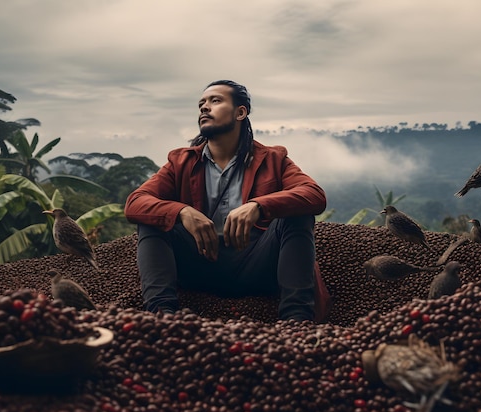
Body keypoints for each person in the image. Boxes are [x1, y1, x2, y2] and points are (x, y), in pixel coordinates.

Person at [124, 80, 328, 322]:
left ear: (240, 112)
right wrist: (181, 212)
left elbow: (314, 195)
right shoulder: (180, 162)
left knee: (297, 216)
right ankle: (163, 317)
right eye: (201, 104)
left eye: (215, 101)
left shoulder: (273, 159)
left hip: (257, 264)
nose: (204, 108)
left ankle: (296, 322)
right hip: (199, 262)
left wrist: (259, 206)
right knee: (155, 220)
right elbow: (135, 202)